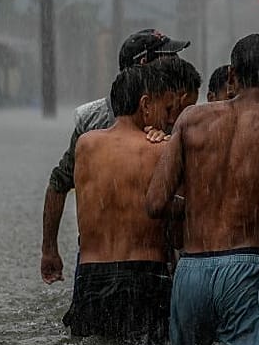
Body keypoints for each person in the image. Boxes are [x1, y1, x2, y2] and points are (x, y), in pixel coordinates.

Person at [146, 33, 259, 345]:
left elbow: (156, 202)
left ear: (231, 75)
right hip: (248, 269)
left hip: (191, 272)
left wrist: (201, 205)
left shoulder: (190, 119)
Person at [63, 57, 200, 345]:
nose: (168, 119)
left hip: (90, 279)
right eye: (166, 109)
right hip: (143, 279)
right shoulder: (161, 150)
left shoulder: (85, 146)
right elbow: (190, 211)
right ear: (145, 104)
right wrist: (171, 144)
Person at [41, 28, 189, 284]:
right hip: (125, 265)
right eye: (169, 58)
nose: (177, 64)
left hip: (126, 264)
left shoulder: (178, 109)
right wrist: (49, 249)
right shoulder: (93, 121)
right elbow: (59, 183)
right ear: (145, 65)